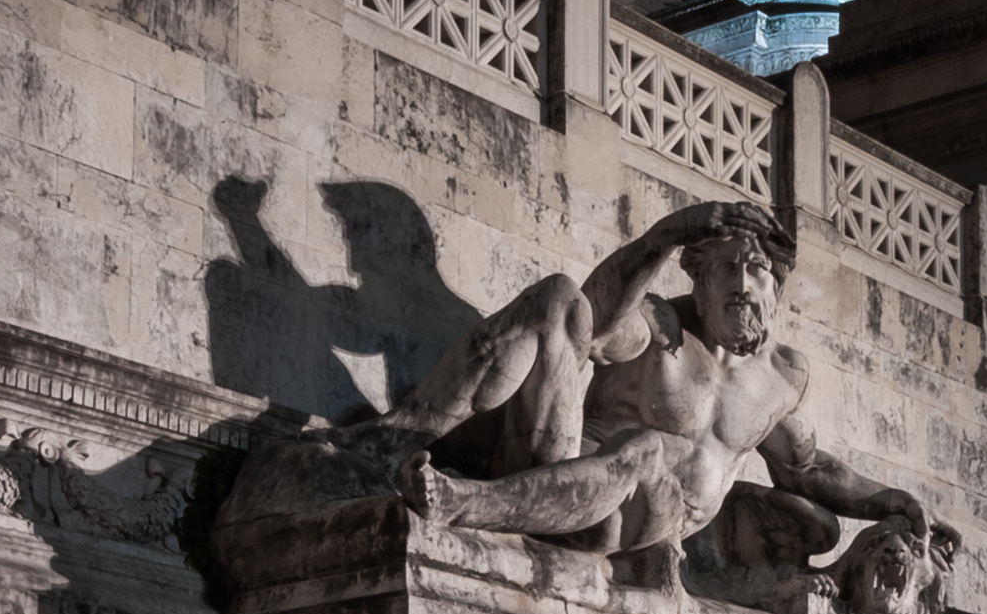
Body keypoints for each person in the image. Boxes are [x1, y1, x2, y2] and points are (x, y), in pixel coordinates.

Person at [393, 199, 936, 564]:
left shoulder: (783, 377)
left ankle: (465, 500)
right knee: (561, 299)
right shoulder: (659, 324)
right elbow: (595, 319)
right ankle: (447, 486)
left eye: (757, 273)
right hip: (555, 473)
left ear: (778, 289)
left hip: (647, 521)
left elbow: (808, 468)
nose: (743, 286)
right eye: (726, 269)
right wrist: (664, 236)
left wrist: (891, 499)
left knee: (647, 458)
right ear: (696, 279)